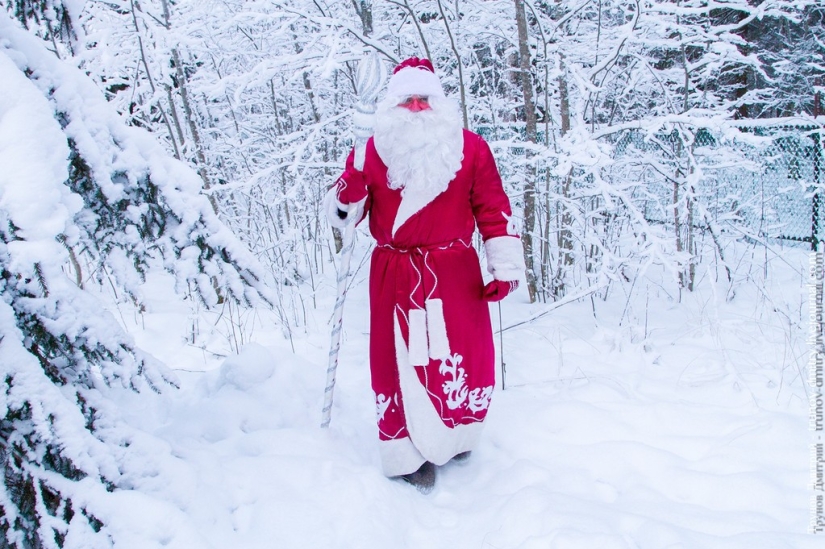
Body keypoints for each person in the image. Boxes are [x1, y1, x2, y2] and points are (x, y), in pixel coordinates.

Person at [326, 57, 524, 493]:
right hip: (396, 274)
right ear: (392, 107)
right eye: (407, 100)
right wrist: (351, 192)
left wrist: (503, 265)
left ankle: (454, 435)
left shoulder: (471, 148)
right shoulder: (368, 153)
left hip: (455, 272)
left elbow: (493, 207)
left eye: (424, 99)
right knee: (401, 359)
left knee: (462, 355)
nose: (416, 108)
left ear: (439, 104)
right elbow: (344, 218)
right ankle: (406, 454)